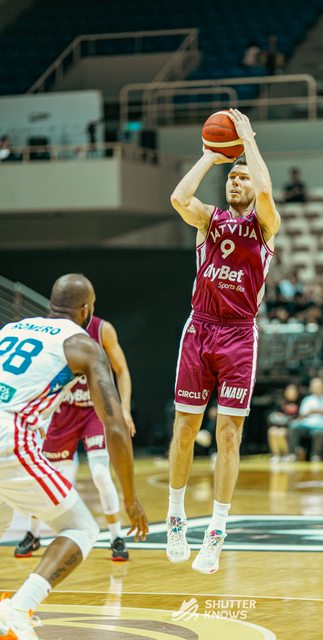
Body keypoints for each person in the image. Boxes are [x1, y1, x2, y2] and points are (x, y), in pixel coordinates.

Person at [0, 274, 148, 639]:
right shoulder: (83, 345)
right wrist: (130, 499)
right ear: (86, 310)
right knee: (81, 528)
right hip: (10, 436)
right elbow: (115, 426)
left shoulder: (10, 330)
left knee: (2, 518)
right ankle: (17, 610)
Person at [167, 108, 280, 574]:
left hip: (238, 335)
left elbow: (266, 192)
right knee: (185, 428)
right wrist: (210, 156)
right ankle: (176, 517)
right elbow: (179, 197)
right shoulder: (208, 221)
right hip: (200, 328)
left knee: (229, 434)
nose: (236, 181)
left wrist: (248, 142)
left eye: (242, 177)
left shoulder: (265, 225)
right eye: (232, 177)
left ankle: (216, 531)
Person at [14, 314, 136, 562]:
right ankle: (33, 533)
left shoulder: (102, 329)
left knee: (100, 474)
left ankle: (116, 537)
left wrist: (124, 410)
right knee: (53, 478)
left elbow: (122, 370)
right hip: (63, 411)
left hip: (94, 410)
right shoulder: (52, 331)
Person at [288, 378, 323, 461]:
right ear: (311, 388)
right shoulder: (307, 399)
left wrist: (314, 411)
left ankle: (316, 455)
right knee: (294, 426)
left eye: (319, 386)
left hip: (322, 424)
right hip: (306, 424)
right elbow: (303, 414)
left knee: (319, 433)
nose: (318, 388)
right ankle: (292, 454)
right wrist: (318, 411)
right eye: (315, 387)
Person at [267, 383, 300, 465]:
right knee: (272, 431)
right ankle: (276, 455)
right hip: (280, 425)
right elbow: (275, 416)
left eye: (293, 391)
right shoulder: (281, 403)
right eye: (289, 390)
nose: (291, 393)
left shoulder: (300, 402)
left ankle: (286, 454)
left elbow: (300, 417)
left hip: (291, 427)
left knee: (281, 433)